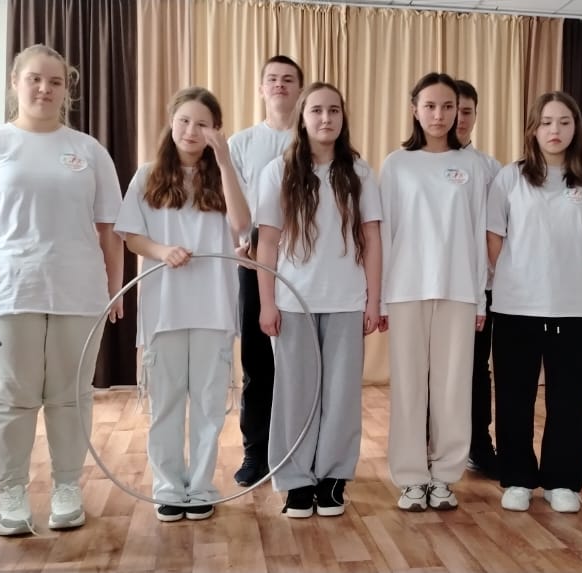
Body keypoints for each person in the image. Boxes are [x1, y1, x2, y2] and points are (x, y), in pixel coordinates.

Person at [0, 44, 125, 535]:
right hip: (10, 289)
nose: (45, 89)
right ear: (15, 83)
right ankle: (12, 491)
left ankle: (67, 486)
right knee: (13, 398)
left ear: (67, 89)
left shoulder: (89, 150)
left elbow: (109, 229)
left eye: (56, 82)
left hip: (78, 289)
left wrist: (114, 289)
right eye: (35, 79)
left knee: (70, 396)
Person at [114, 87, 250, 523]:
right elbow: (131, 236)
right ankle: (169, 488)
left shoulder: (226, 174)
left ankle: (202, 487)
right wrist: (162, 251)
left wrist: (225, 161)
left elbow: (242, 226)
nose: (192, 130)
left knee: (209, 405)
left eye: (202, 124)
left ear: (216, 130)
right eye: (184, 121)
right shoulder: (147, 176)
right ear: (171, 123)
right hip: (164, 308)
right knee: (167, 404)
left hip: (214, 307)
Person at [254, 82, 384, 518]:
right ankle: (295, 480)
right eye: (316, 111)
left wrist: (373, 301)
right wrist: (267, 302)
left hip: (347, 301)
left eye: (334, 111)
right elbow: (267, 242)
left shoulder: (359, 172)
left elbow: (372, 238)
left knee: (342, 395)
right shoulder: (278, 171)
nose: (326, 118)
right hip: (294, 302)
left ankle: (332, 478)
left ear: (343, 117)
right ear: (302, 117)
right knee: (295, 394)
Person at [487, 91, 582, 514]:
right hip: (516, 305)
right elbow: (494, 239)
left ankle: (562, 480)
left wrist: (560, 271)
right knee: (514, 395)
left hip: (573, 307)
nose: (555, 130)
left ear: (576, 129)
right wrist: (524, 274)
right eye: (546, 122)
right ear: (533, 129)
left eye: (564, 122)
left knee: (568, 398)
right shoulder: (510, 178)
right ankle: (517, 476)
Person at [380, 72, 493, 512]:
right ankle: (411, 477)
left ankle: (445, 475)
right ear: (415, 109)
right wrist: (382, 297)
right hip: (406, 289)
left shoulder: (474, 166)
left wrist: (481, 296)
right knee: (409, 386)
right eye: (430, 106)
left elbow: (479, 233)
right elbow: (385, 233)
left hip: (459, 290)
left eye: (448, 107)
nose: (440, 115)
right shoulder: (396, 164)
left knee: (453, 388)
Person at [227, 55, 305, 487]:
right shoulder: (242, 143)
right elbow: (232, 204)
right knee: (257, 363)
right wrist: (239, 242)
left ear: (300, 89)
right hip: (257, 261)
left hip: (307, 266)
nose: (279, 85)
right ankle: (255, 451)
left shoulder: (313, 137)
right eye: (272, 79)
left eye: (288, 79)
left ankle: (298, 449)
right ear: (261, 89)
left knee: (301, 363)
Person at [454, 79, 503, 479]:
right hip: (434, 286)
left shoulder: (491, 169)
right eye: (453, 109)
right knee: (432, 369)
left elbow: (496, 230)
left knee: (475, 369)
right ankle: (430, 444)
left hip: (479, 287)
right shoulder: (414, 162)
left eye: (467, 111)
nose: (459, 118)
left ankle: (478, 444)